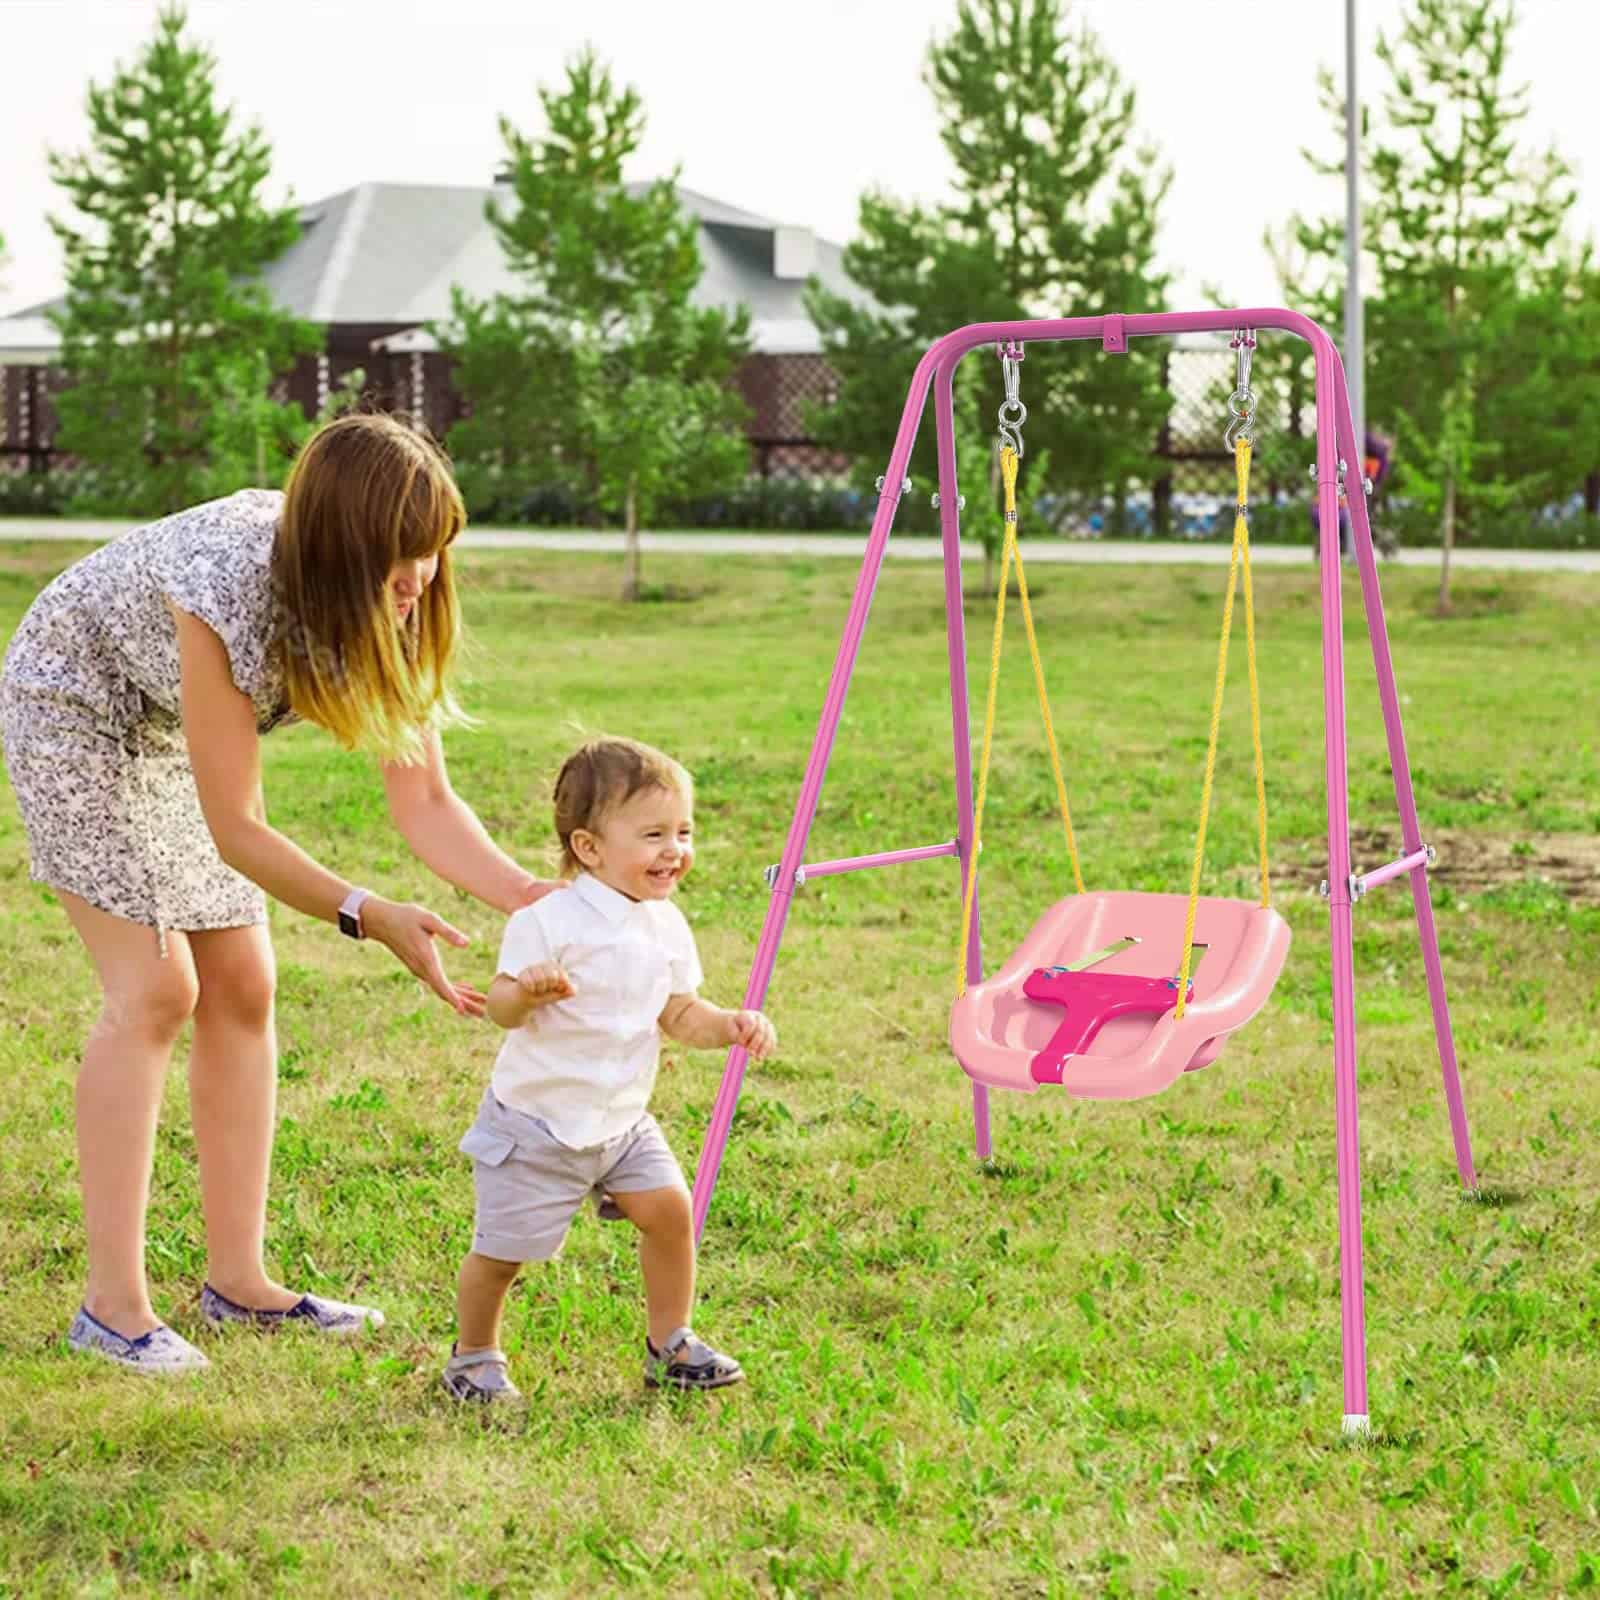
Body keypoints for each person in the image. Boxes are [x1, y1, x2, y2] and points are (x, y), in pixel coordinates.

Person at [0, 412, 563, 1374]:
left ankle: (239, 1286)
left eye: (433, 552)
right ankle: (112, 1309)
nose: (419, 579)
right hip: (73, 705)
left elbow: (422, 796)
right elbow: (241, 829)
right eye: (400, 555)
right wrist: (366, 913)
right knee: (156, 992)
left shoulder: (400, 600)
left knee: (246, 987)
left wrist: (528, 896)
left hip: (168, 728)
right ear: (341, 545)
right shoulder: (228, 589)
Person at [442, 736, 777, 1401]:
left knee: (670, 1212)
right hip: (538, 1123)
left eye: (684, 831)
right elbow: (501, 1009)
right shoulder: (548, 920)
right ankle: (473, 1355)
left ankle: (671, 1343)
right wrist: (527, 990)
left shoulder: (666, 925)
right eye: (653, 833)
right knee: (503, 1253)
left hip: (621, 1121)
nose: (675, 849)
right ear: (589, 848)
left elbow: (679, 1014)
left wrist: (730, 1025)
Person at [1310, 429, 1393, 559]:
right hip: (1339, 500)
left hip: (1350, 499)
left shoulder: (1374, 460)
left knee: (1345, 516)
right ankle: (1337, 544)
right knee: (1338, 515)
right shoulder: (1347, 456)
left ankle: (1340, 545)